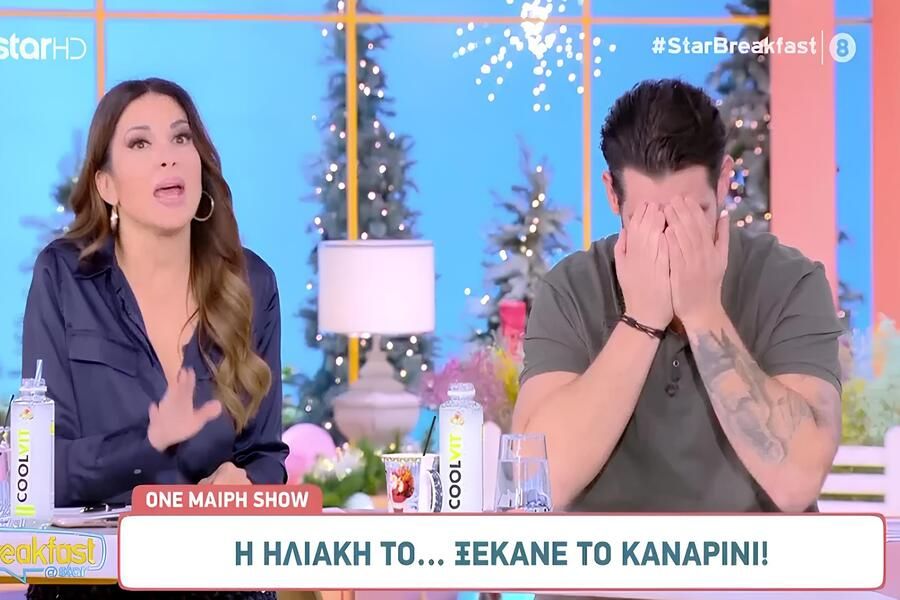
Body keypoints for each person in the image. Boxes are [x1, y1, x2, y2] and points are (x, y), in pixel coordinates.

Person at [514, 79, 843, 515]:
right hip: (603, 562)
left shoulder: (790, 282)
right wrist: (641, 321)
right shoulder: (572, 287)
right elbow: (536, 486)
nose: (671, 240)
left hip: (755, 562)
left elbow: (798, 483)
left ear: (723, 182)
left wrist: (703, 311)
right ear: (612, 193)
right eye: (648, 220)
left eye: (692, 216)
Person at [22, 77, 287, 600]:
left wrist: (246, 483)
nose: (168, 156)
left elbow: (266, 455)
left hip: (219, 582)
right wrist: (149, 442)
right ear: (107, 185)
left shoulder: (252, 284)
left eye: (180, 138)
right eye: (140, 143)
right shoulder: (64, 278)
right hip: (95, 584)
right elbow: (43, 472)